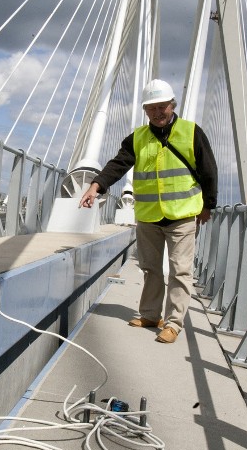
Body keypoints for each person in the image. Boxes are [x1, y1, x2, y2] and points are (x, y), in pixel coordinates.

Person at [79, 79, 218, 344]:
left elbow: (209, 170)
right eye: (151, 108)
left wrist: (208, 206)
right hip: (150, 215)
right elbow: (118, 164)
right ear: (145, 110)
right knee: (150, 268)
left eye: (162, 106)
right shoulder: (137, 138)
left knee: (180, 270)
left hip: (182, 215)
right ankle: (151, 315)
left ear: (172, 105)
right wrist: (96, 185)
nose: (157, 112)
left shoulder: (191, 132)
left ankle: (174, 323)